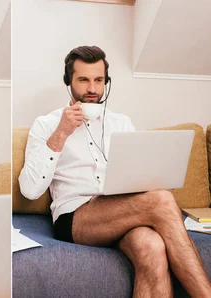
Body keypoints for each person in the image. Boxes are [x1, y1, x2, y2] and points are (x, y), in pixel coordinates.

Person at [19, 45, 211, 297]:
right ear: (68, 81)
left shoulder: (121, 123)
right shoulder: (47, 124)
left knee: (150, 245)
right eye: (84, 80)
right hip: (75, 217)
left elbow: (138, 175)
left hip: (120, 211)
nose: (92, 89)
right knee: (162, 199)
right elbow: (30, 190)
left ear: (106, 82)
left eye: (99, 80)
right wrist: (62, 133)